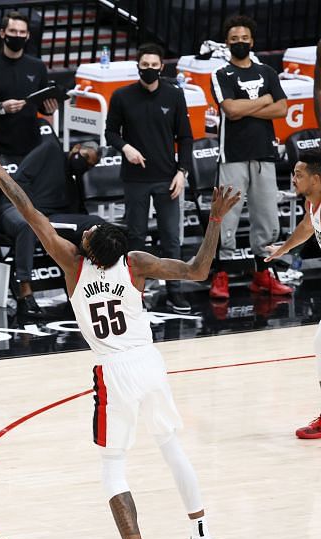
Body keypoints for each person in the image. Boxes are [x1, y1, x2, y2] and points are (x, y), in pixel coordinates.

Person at [0, 126, 242, 539]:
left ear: (93, 248)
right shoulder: (134, 263)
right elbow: (198, 270)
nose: (86, 228)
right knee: (171, 444)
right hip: (150, 363)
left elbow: (30, 212)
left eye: (91, 230)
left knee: (112, 466)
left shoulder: (73, 264)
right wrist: (214, 221)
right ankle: (201, 534)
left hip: (114, 371)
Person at [106, 43, 194, 313]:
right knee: (135, 238)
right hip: (135, 179)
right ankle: (134, 292)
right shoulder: (121, 96)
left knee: (170, 238)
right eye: (145, 66)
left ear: (162, 67)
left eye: (154, 66)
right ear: (138, 67)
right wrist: (126, 147)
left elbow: (186, 137)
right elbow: (110, 133)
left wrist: (183, 172)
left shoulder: (174, 95)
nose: (149, 70)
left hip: (168, 177)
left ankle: (174, 291)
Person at [208, 14, 291, 299]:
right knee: (227, 220)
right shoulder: (221, 74)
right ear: (227, 43)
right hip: (232, 155)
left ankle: (263, 275)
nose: (240, 43)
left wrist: (249, 107)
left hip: (264, 154)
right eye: (234, 39)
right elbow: (230, 110)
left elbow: (282, 109)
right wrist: (264, 100)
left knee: (267, 220)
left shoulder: (267, 71)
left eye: (244, 39)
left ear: (252, 41)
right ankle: (220, 276)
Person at [0, 133, 104, 319]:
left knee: (96, 224)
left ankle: (88, 287)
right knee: (29, 225)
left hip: (48, 218)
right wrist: (32, 212)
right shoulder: (51, 150)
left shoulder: (74, 180)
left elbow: (78, 212)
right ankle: (25, 294)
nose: (85, 165)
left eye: (90, 165)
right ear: (75, 148)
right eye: (84, 157)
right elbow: (18, 180)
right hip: (15, 207)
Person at [264, 151, 321, 439]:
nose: (294, 178)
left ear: (316, 178)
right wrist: (283, 249)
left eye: (299, 174)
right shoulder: (313, 205)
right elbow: (306, 228)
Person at [0, 11, 56, 160]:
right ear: (2, 33)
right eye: (13, 31)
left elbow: (40, 103)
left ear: (28, 35)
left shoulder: (37, 66)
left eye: (22, 32)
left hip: (31, 146)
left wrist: (49, 109)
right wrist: (1, 107)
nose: (18, 36)